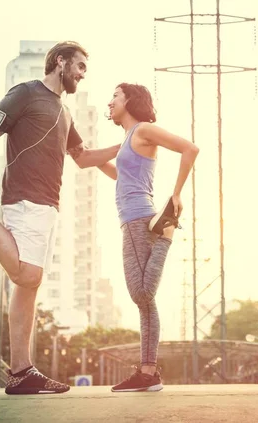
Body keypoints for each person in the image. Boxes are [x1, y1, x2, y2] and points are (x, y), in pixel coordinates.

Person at [0, 41, 120, 395]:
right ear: (60, 62)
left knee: (28, 287)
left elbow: (84, 157)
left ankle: (21, 371)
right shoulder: (24, 93)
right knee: (27, 273)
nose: (82, 74)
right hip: (25, 199)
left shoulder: (66, 112)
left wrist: (128, 152)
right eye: (79, 66)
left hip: (48, 204)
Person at [99, 83, 199, 392]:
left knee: (141, 295)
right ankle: (148, 372)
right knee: (144, 301)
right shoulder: (129, 139)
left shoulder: (144, 130)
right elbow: (123, 176)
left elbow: (190, 148)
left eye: (115, 95)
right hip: (131, 220)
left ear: (129, 99)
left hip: (138, 218)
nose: (110, 101)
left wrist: (177, 194)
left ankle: (167, 237)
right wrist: (86, 156)